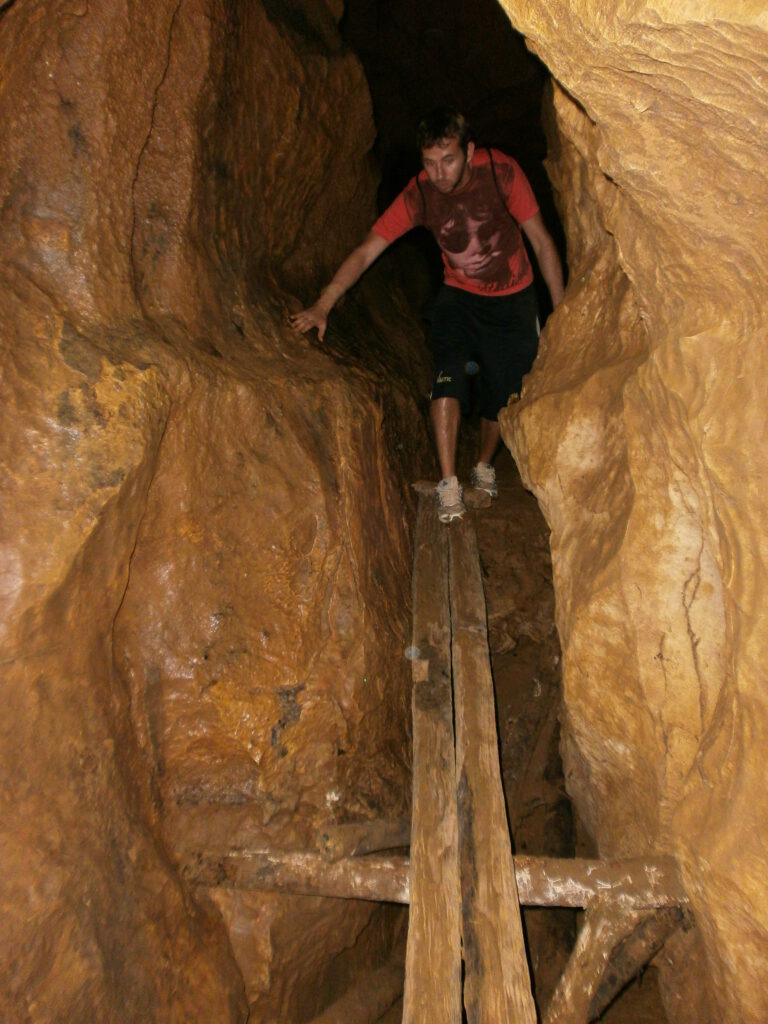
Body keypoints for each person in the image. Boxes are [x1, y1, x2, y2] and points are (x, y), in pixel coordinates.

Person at [290, 107, 564, 523]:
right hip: (459, 297)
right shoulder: (420, 195)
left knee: (503, 395)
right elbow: (367, 249)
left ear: (469, 151)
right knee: (448, 374)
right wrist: (324, 303)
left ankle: (485, 464)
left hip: (513, 298)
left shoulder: (502, 173)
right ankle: (449, 482)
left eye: (448, 159)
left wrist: (563, 316)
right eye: (430, 163)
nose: (438, 172)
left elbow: (542, 243)